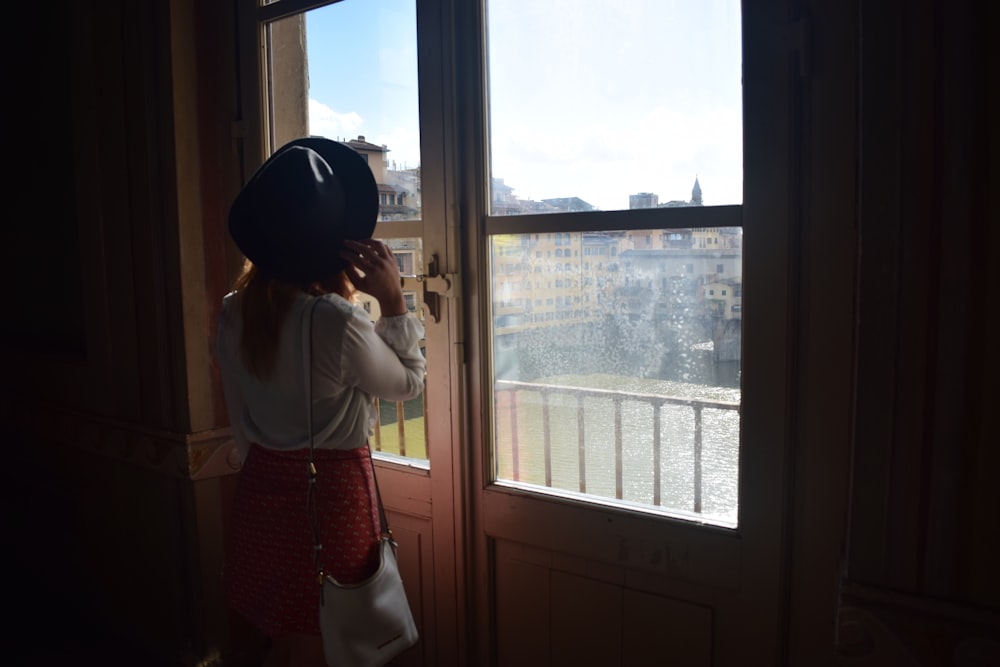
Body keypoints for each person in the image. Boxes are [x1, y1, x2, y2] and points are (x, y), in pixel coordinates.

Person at [215, 137, 426, 666]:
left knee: (282, 635)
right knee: (337, 634)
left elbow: (239, 418)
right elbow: (408, 384)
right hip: (330, 500)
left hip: (259, 494)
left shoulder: (232, 312)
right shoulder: (333, 320)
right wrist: (394, 300)